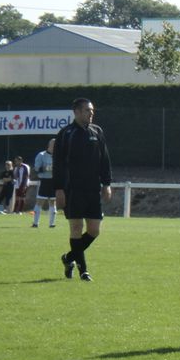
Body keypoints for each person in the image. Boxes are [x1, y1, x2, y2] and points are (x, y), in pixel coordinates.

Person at [53, 98, 113, 282]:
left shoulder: (97, 131)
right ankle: (83, 271)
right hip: (73, 190)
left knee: (94, 230)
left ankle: (69, 258)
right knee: (76, 228)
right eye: (87, 110)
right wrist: (59, 189)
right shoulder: (66, 134)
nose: (91, 113)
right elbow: (58, 164)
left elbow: (105, 159)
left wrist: (107, 183)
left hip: (93, 189)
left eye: (92, 110)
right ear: (77, 112)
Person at [32, 138, 58, 228]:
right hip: (43, 181)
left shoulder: (59, 155)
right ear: (49, 145)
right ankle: (35, 223)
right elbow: (36, 169)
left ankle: (52, 224)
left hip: (53, 181)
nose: (55, 146)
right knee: (39, 202)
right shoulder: (41, 155)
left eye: (56, 144)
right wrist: (47, 168)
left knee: (52, 202)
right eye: (53, 144)